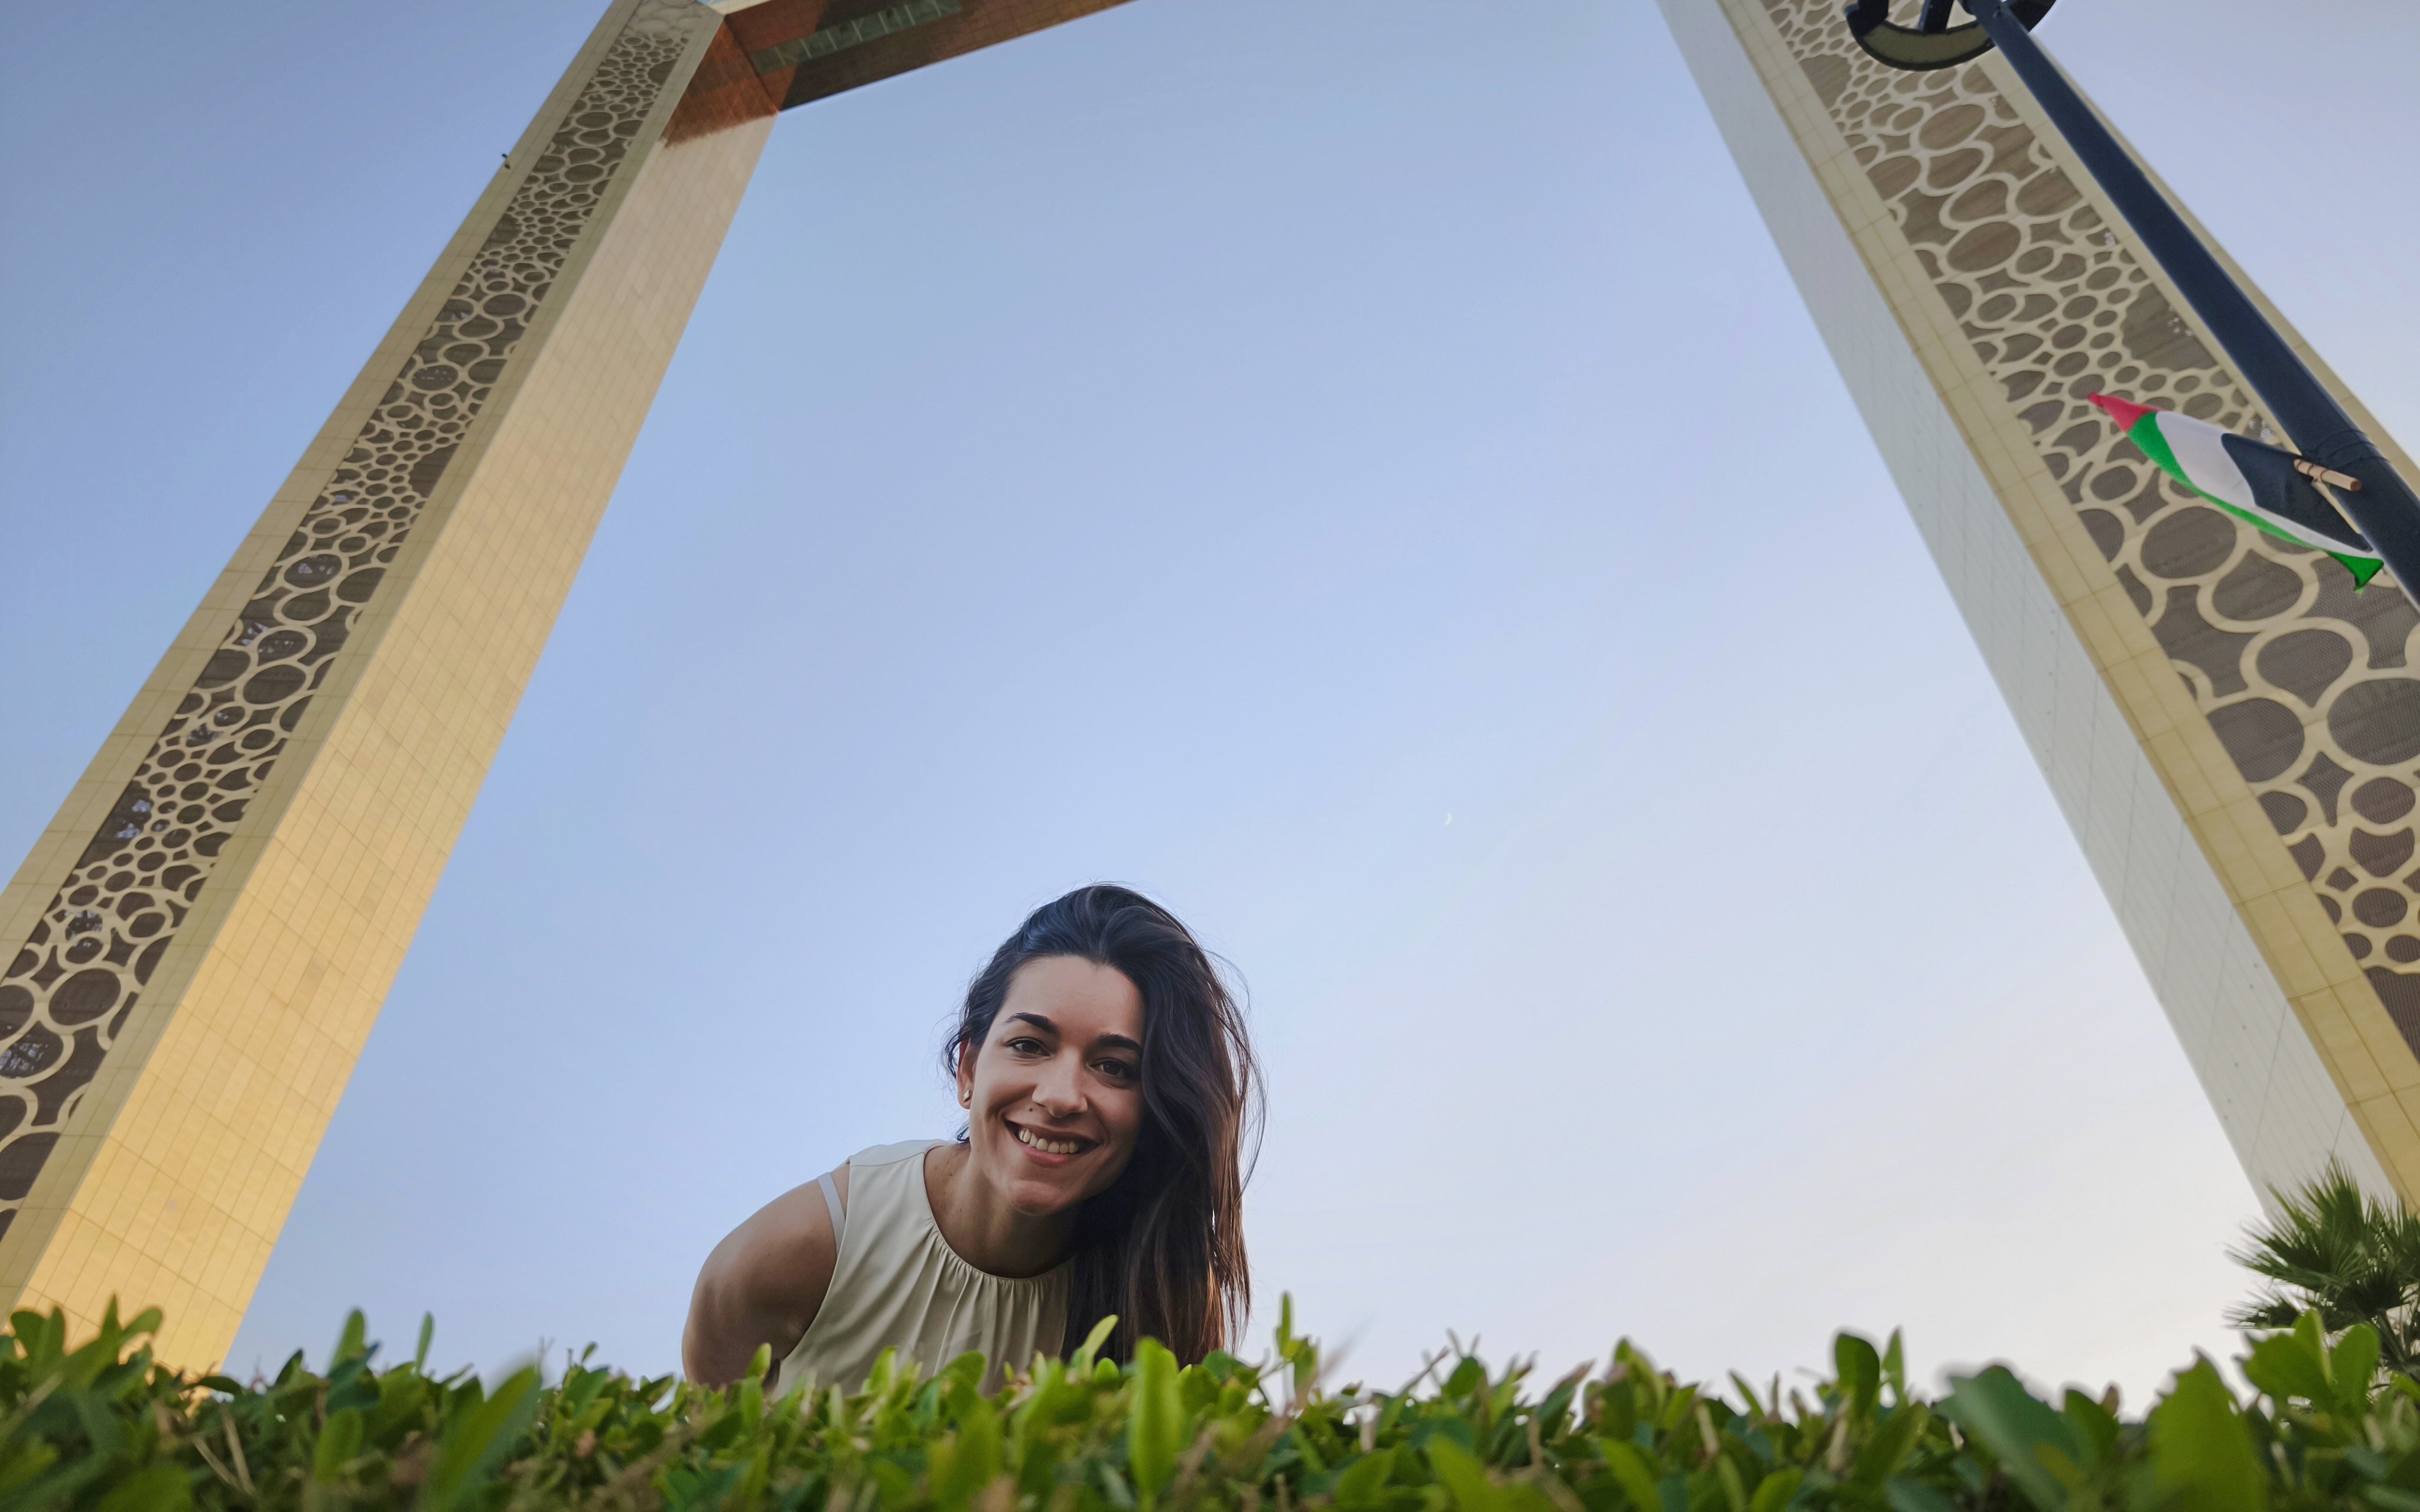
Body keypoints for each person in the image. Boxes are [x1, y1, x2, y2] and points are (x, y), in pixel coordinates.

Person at [681, 885, 1258, 1393]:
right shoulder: (804, 1248)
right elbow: (709, 1446)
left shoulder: (1158, 1287)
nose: (1060, 1096)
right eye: (1030, 1045)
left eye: (1114, 1067)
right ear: (968, 1069)